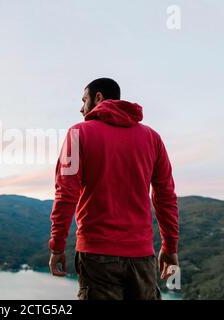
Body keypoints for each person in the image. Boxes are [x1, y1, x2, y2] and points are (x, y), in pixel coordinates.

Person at [48, 78, 179, 300]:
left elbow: (65, 193)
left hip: (97, 256)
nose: (81, 108)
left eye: (84, 100)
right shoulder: (152, 138)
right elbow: (165, 196)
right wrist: (170, 246)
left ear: (98, 98)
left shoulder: (78, 133)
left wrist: (57, 246)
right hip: (142, 255)